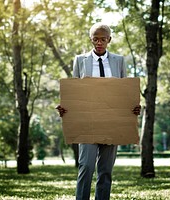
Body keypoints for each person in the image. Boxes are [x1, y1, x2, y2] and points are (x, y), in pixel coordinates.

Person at [56, 23, 141, 200]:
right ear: (91, 39)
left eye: (103, 39)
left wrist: (132, 106)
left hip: (112, 122)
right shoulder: (80, 60)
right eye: (95, 39)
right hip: (87, 123)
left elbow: (124, 91)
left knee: (105, 170)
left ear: (109, 39)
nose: (99, 42)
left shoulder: (119, 61)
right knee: (86, 167)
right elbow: (75, 91)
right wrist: (66, 107)